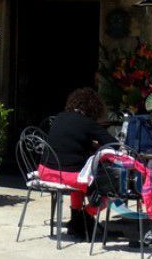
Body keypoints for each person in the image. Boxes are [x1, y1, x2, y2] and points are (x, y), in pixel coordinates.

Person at [38, 87, 118, 240]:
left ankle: (76, 218)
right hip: (68, 177)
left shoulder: (59, 117)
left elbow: (68, 142)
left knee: (80, 174)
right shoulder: (88, 123)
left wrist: (89, 143)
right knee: (110, 187)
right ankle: (85, 217)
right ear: (94, 108)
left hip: (45, 171)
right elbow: (114, 144)